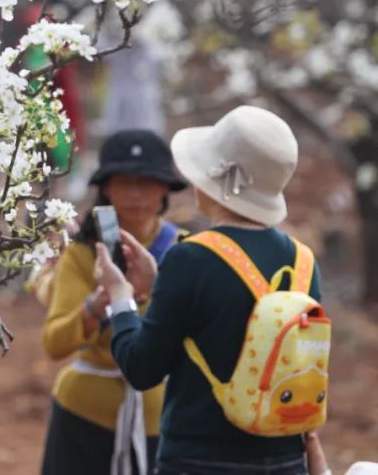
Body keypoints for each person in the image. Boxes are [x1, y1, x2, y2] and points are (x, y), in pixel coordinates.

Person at [95, 105, 323, 475]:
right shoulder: (304, 262)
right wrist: (159, 284)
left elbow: (141, 368)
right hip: (285, 459)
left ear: (219, 183)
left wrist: (120, 297)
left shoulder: (190, 257)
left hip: (198, 460)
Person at [40, 129, 189, 475]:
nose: (135, 194)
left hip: (162, 420)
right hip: (82, 415)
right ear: (106, 188)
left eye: (146, 183)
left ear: (165, 188)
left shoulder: (184, 250)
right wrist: (97, 305)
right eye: (124, 182)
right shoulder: (83, 253)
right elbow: (55, 343)